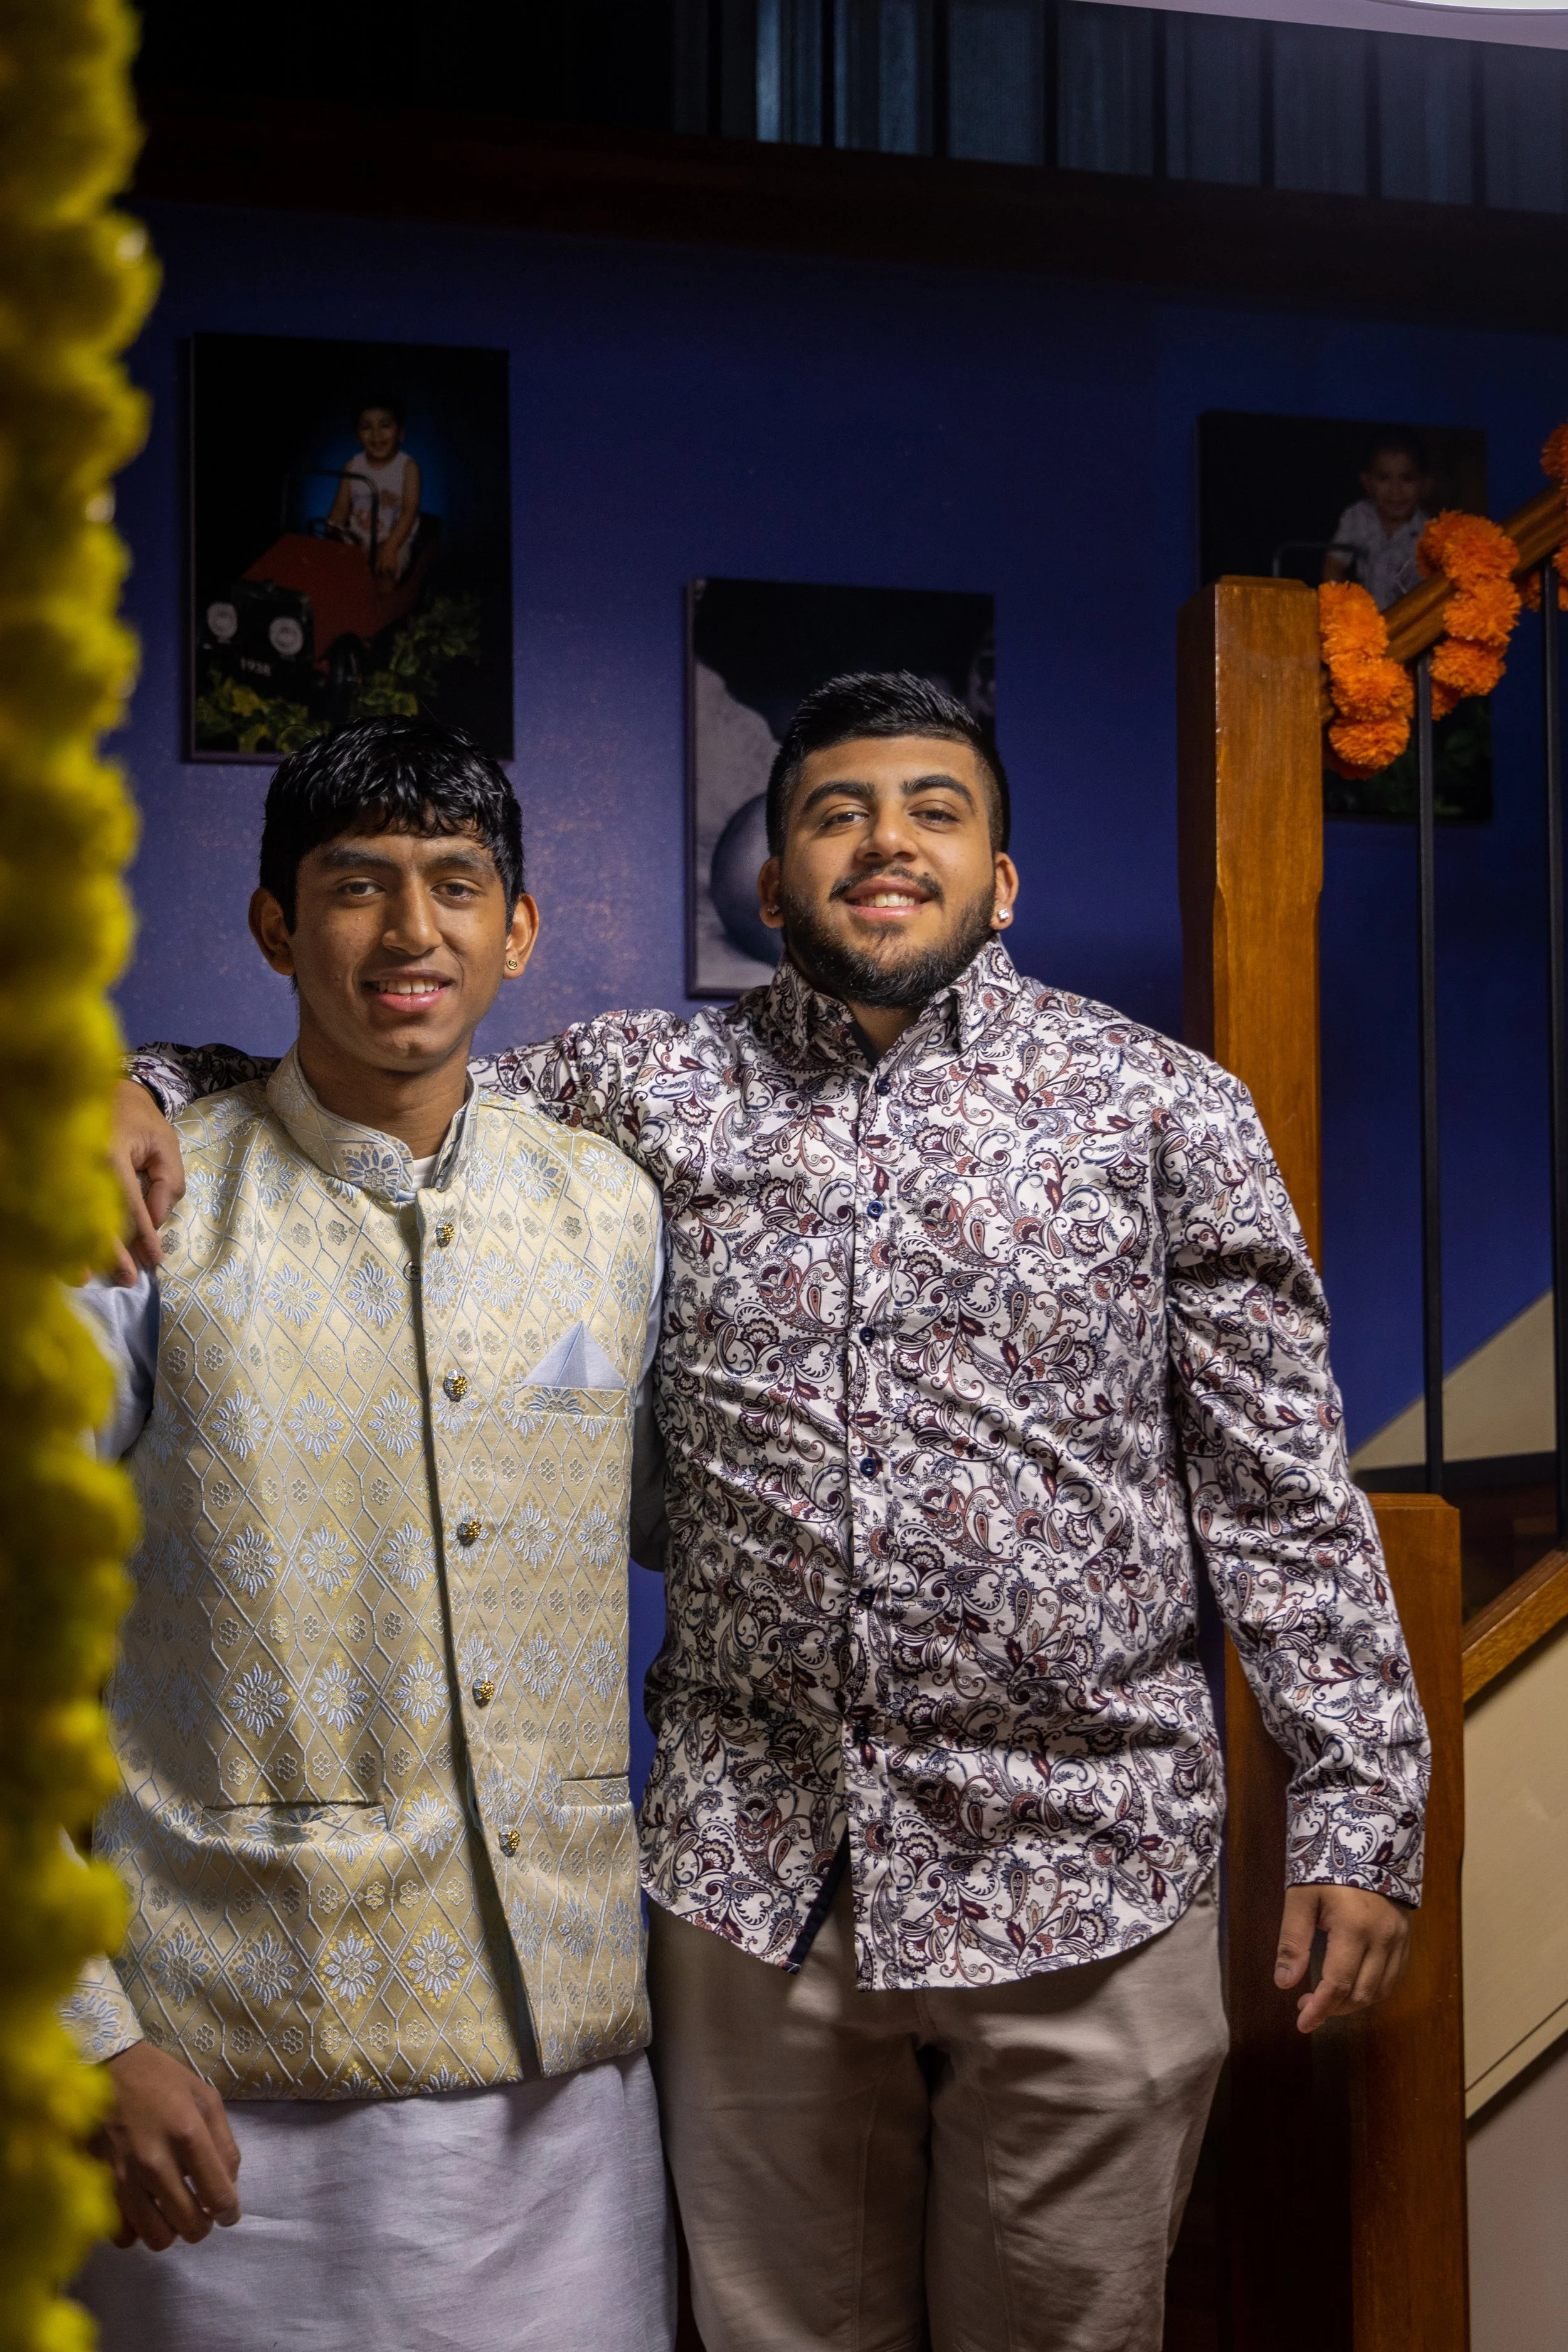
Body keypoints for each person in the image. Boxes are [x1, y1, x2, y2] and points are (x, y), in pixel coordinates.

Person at [113, 672, 1427, 2352]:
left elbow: (1283, 1486)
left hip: (1087, 1876)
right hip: (755, 1890)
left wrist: (1355, 1805)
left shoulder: (1165, 1108)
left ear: (1000, 879)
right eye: (835, 811)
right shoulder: (640, 1087)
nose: (884, 841)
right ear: (772, 878)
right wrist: (129, 1081)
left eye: (934, 809)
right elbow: (378, 1056)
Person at [72, 718, 672, 2351]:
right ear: (276, 927)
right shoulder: (141, 1210)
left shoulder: (611, 1209)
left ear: (518, 927)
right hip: (212, 2091)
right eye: (357, 887)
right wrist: (82, 2032)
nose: (412, 930)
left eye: (455, 885)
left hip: (566, 2093)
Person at [1322, 426, 1433, 611]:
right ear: (1367, 483)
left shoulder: (1430, 531)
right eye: (1384, 479)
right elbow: (1333, 568)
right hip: (1362, 618)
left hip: (1411, 620)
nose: (1395, 490)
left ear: (1425, 485)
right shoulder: (1357, 517)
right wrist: (1344, 610)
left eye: (1407, 479)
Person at [327, 395, 421, 586]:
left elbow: (409, 513)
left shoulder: (407, 468)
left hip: (393, 538)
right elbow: (340, 509)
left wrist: (390, 549)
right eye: (367, 427)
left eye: (385, 426)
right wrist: (330, 535)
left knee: (385, 571)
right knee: (331, 568)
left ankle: (384, 602)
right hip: (357, 537)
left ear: (401, 433)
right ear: (357, 436)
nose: (376, 435)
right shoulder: (352, 466)